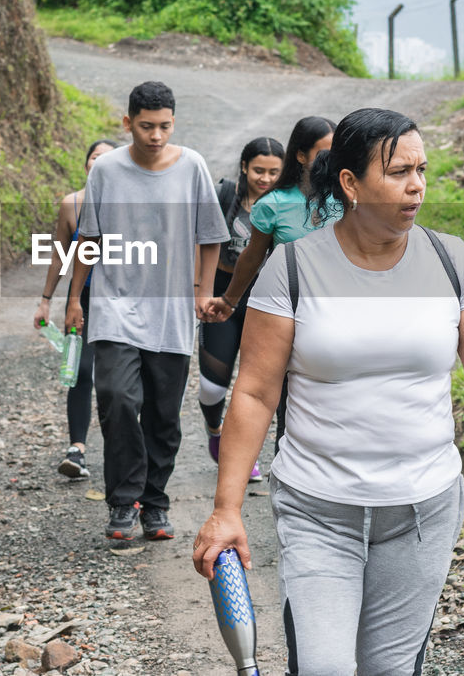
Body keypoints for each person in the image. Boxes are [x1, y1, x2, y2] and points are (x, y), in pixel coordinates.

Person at [192, 108, 464, 676]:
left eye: (422, 170)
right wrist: (226, 508)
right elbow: (256, 393)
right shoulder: (294, 267)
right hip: (318, 509)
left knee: (390, 668)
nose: (416, 186)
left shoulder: (453, 263)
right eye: (399, 171)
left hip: (421, 510)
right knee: (325, 666)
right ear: (350, 184)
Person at [65, 81, 229, 542]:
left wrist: (203, 291)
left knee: (162, 415)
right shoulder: (107, 171)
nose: (155, 135)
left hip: (171, 309)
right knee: (117, 398)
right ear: (127, 123)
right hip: (115, 304)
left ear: (173, 123)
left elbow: (211, 235)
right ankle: (123, 501)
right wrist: (75, 298)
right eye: (145, 126)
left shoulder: (192, 166)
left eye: (164, 126)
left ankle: (154, 503)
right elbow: (89, 240)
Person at [203, 115, 336, 448]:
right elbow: (250, 257)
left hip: (338, 319)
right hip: (290, 321)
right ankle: (290, 483)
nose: (332, 161)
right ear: (302, 156)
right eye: (324, 153)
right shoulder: (274, 205)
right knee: (289, 407)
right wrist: (229, 301)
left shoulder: (347, 199)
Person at [33, 138, 119, 480]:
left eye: (107, 159)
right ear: (86, 163)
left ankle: (122, 446)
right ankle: (77, 449)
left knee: (118, 377)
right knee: (80, 371)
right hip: (80, 300)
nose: (99, 163)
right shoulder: (72, 204)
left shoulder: (127, 203)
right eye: (94, 157)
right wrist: (46, 299)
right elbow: (59, 255)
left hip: (119, 301)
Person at [199, 136, 284, 480]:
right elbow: (201, 242)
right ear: (245, 167)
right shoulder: (224, 196)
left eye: (273, 172)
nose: (264, 178)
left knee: (252, 385)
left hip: (262, 300)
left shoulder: (285, 203)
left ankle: (244, 455)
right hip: (221, 296)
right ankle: (215, 430)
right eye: (258, 170)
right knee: (212, 388)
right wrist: (201, 291)